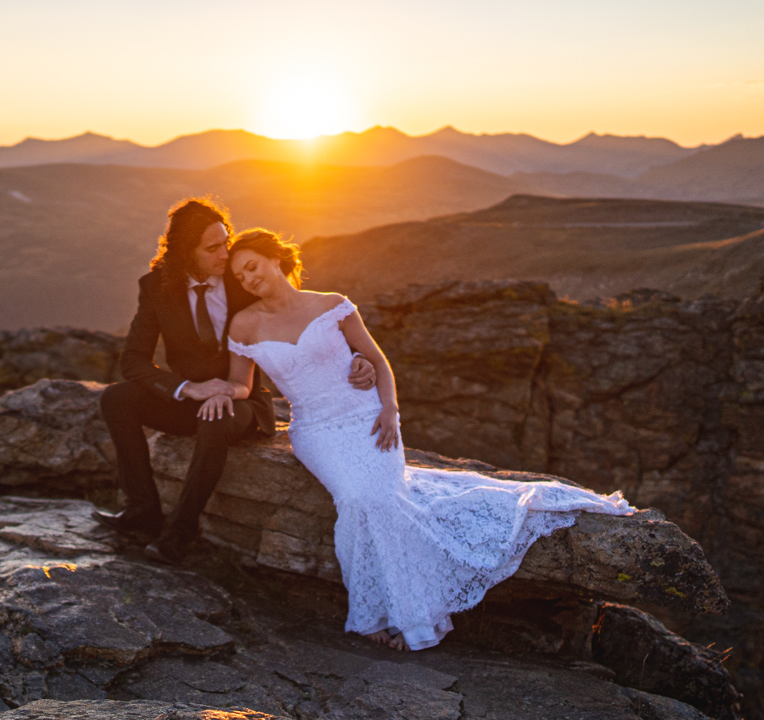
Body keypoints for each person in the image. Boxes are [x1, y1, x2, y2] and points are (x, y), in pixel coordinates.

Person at [205, 229, 634, 651]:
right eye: (240, 277)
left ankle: (395, 612)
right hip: (315, 430)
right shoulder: (244, 325)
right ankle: (375, 613)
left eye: (253, 267)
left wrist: (390, 408)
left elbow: (376, 360)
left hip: (366, 416)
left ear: (276, 260)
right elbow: (240, 385)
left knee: (384, 498)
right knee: (358, 499)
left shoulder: (333, 305)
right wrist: (204, 391)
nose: (248, 279)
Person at [93, 199, 376, 564]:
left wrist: (355, 357)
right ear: (186, 252)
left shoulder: (241, 277)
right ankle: (142, 511)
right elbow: (132, 361)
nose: (225, 254)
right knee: (116, 399)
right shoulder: (156, 287)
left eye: (225, 242)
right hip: (189, 400)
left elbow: (300, 319)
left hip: (242, 401)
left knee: (215, 419)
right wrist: (187, 389)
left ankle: (181, 531)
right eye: (213, 248)